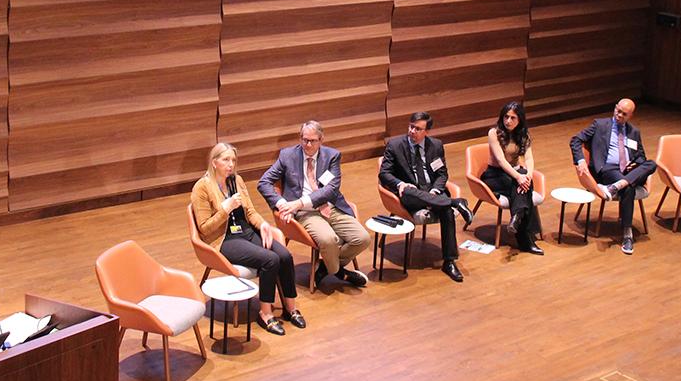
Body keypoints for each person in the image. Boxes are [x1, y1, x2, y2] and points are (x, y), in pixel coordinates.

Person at [191, 143, 305, 336]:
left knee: (284, 255)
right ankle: (265, 313)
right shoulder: (202, 187)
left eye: (233, 160)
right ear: (214, 162)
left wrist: (262, 225)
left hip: (245, 231)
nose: (230, 165)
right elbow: (204, 229)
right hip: (224, 239)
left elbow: (250, 211)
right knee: (271, 260)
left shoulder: (237, 180)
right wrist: (225, 209)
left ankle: (290, 307)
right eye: (226, 160)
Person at [258, 121, 370, 291]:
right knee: (329, 240)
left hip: (331, 206)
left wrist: (299, 202)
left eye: (312, 141)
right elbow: (264, 182)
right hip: (305, 213)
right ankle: (339, 272)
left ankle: (326, 268)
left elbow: (331, 189)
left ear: (321, 140)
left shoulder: (332, 156)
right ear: (300, 138)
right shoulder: (287, 155)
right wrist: (282, 203)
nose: (307, 145)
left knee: (362, 238)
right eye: (304, 140)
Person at [379, 111, 475, 282]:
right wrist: (400, 184)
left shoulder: (436, 146)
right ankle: (455, 202)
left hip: (432, 191)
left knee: (445, 210)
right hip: (409, 194)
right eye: (411, 127)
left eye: (417, 129)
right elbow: (384, 174)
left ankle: (449, 261)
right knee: (411, 192)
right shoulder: (395, 145)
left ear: (426, 132)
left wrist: (435, 191)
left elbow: (442, 174)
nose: (412, 131)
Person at [570, 98, 657, 255]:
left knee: (651, 164)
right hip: (608, 169)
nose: (619, 115)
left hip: (628, 170)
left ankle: (617, 186)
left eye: (624, 114)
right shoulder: (600, 124)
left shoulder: (634, 132)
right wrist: (581, 160)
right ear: (615, 108)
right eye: (618, 111)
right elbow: (576, 140)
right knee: (629, 187)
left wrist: (635, 164)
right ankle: (627, 234)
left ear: (630, 116)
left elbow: (641, 157)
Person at [482, 102, 543, 255]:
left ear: (520, 120)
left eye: (513, 118)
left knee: (524, 184)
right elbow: (501, 161)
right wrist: (519, 177)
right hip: (494, 175)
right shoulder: (493, 133)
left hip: (513, 174)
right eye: (506, 117)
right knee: (522, 186)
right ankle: (525, 236)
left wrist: (528, 175)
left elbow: (529, 158)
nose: (508, 121)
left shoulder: (524, 135)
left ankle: (516, 217)